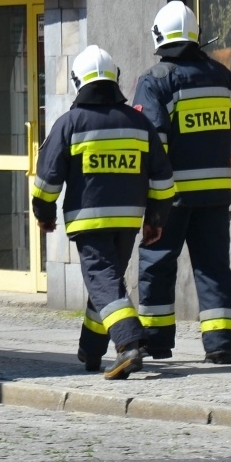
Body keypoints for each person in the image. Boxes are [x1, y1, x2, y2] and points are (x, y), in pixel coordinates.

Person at [32, 45, 174, 380]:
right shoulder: (139, 123)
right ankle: (91, 350)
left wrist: (44, 213)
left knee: (105, 284)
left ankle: (128, 345)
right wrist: (155, 221)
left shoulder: (70, 123)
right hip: (128, 223)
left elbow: (46, 180)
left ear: (78, 81)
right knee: (108, 285)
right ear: (115, 80)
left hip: (89, 222)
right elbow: (164, 180)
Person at [131, 0, 231, 364]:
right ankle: (221, 344)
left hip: (172, 197)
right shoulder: (222, 76)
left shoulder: (154, 82)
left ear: (160, 38)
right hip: (214, 195)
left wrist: (151, 204)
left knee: (157, 262)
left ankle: (157, 341)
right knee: (213, 267)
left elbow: (153, 147)